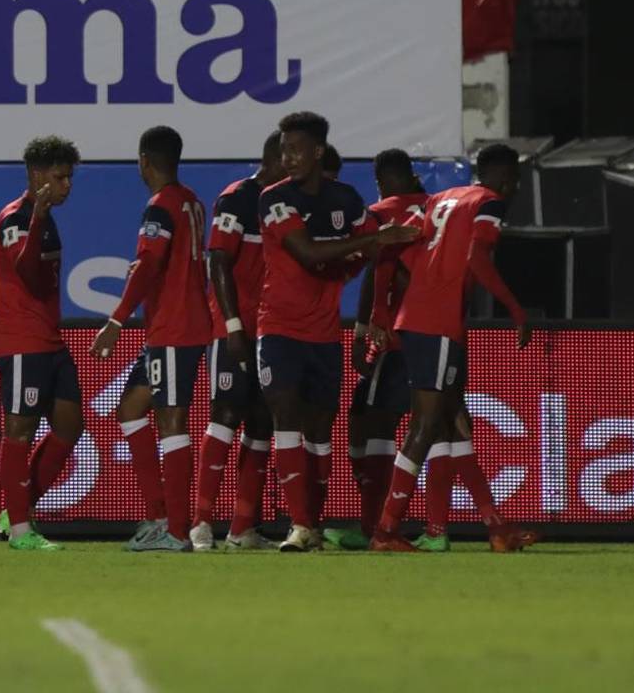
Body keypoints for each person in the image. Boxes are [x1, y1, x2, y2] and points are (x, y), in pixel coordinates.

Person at [256, 112, 419, 552]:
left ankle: (314, 523)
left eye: (296, 150)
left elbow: (372, 252)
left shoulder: (346, 199)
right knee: (285, 417)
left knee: (320, 430)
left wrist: (355, 262)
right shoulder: (274, 198)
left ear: (318, 152)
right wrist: (369, 243)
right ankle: (298, 524)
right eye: (284, 150)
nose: (288, 158)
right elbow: (309, 253)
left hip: (325, 334)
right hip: (279, 328)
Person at [369, 143, 537, 552]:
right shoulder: (489, 202)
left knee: (456, 422)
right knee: (425, 425)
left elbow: (395, 246)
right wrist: (516, 310)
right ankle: (386, 531)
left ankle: (496, 527)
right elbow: (477, 258)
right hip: (438, 322)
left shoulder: (442, 198)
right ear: (505, 178)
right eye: (515, 179)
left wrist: (381, 311)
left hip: (419, 319)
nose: (515, 188)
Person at [91, 126, 213, 552]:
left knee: (172, 420)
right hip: (173, 325)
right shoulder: (191, 201)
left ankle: (177, 532)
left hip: (176, 327)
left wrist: (116, 320)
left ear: (144, 160)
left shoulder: (161, 206)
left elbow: (148, 263)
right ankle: (159, 516)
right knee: (130, 409)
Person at [323, 148, 428, 551]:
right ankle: (431, 526)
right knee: (440, 425)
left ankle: (375, 526)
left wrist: (362, 330)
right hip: (436, 333)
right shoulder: (438, 208)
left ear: (380, 181)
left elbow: (373, 270)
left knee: (375, 422)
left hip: (397, 337)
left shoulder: (381, 214)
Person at [188, 131, 284, 552]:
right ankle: (201, 522)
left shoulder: (288, 202)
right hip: (234, 329)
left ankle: (242, 528)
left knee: (262, 421)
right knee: (225, 414)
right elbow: (218, 262)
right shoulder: (237, 198)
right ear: (276, 158)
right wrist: (231, 325)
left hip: (273, 330)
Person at [0, 136, 85, 551]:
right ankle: (20, 531)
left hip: (49, 339)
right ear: (35, 174)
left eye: (69, 177)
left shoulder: (44, 218)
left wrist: (43, 218)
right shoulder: (16, 218)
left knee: (70, 425)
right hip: (22, 341)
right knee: (20, 430)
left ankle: (19, 508)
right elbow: (27, 274)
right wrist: (39, 220)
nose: (67, 185)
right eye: (59, 177)